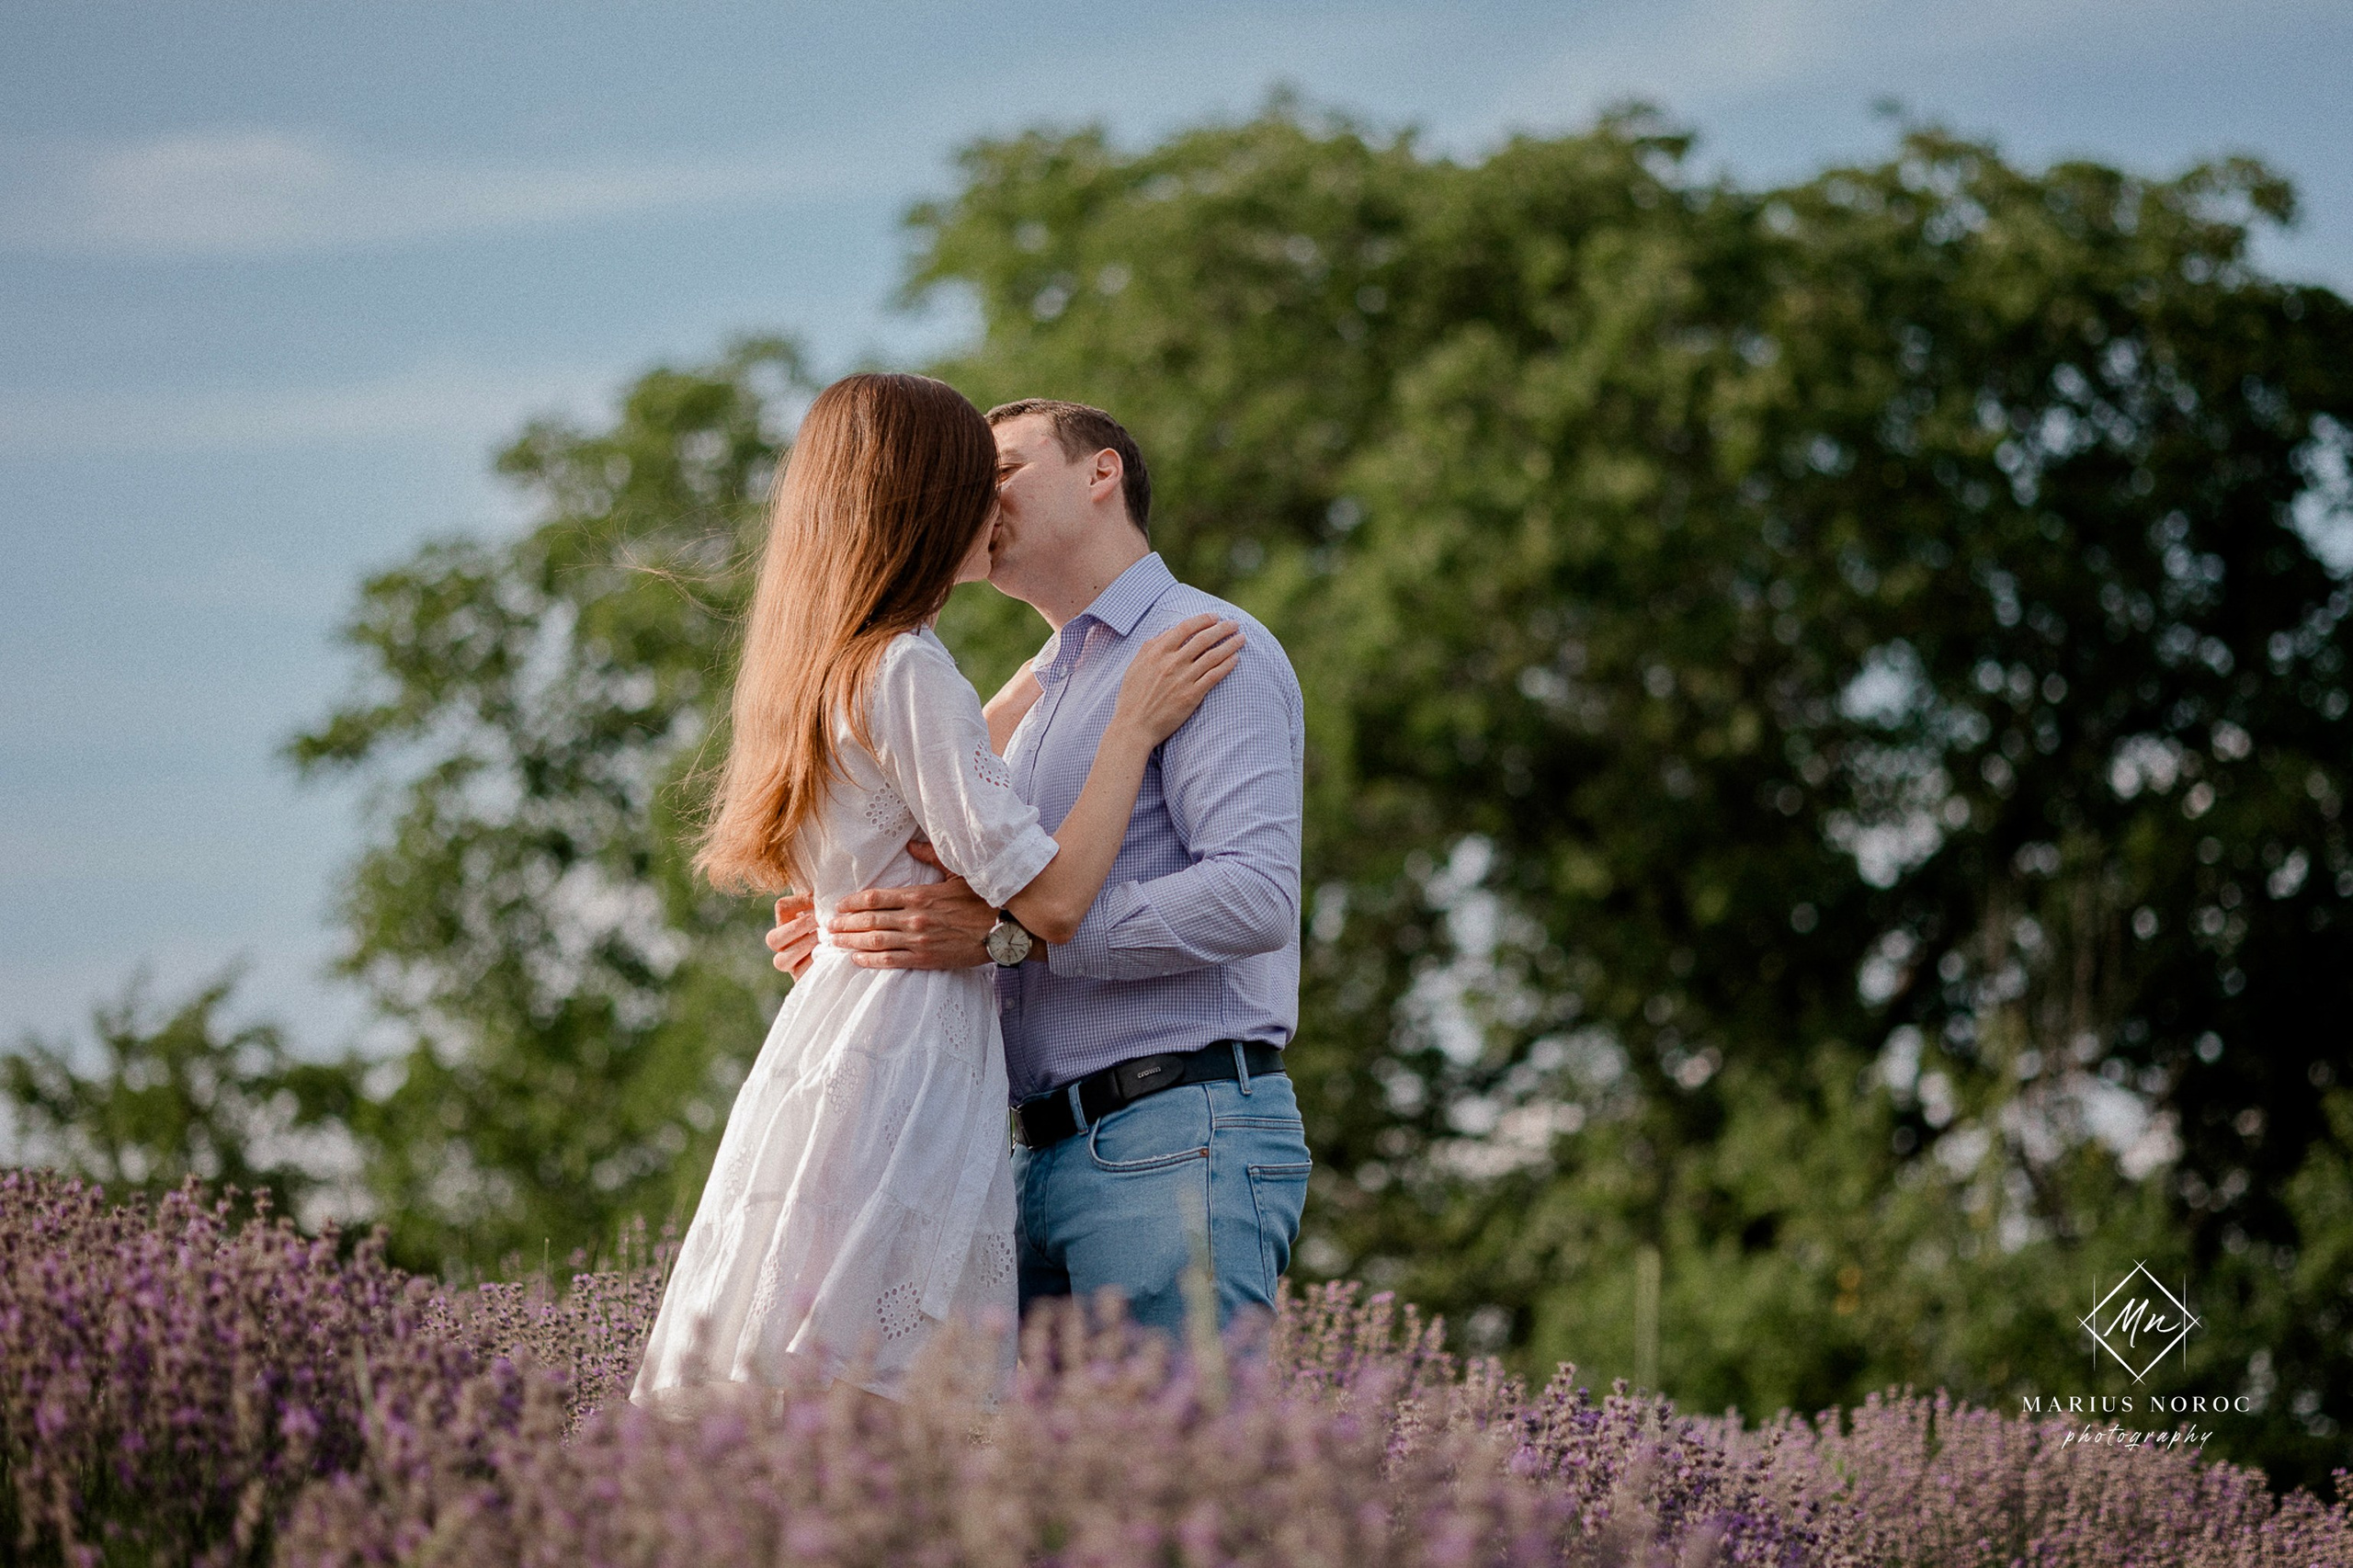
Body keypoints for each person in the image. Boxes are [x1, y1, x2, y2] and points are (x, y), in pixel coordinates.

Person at [631, 374, 1242, 1412]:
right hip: (907, 1049)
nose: (993, 506)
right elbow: (1047, 899)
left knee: (810, 1359)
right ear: (923, 499)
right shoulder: (910, 669)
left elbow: (917, 796)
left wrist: (1045, 675)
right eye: (976, 478)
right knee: (883, 1385)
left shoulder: (833, 665)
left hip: (835, 1032)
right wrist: (1130, 727)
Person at [766, 397, 1311, 1345]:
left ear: (1101, 473)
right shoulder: (1032, 691)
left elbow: (1254, 896)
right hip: (1022, 1156)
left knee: (1177, 1476)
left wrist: (1018, 938)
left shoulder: (1202, 648)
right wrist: (860, 923)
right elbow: (986, 886)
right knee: (1051, 1494)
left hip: (1173, 1131)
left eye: (1003, 469)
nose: (981, 497)